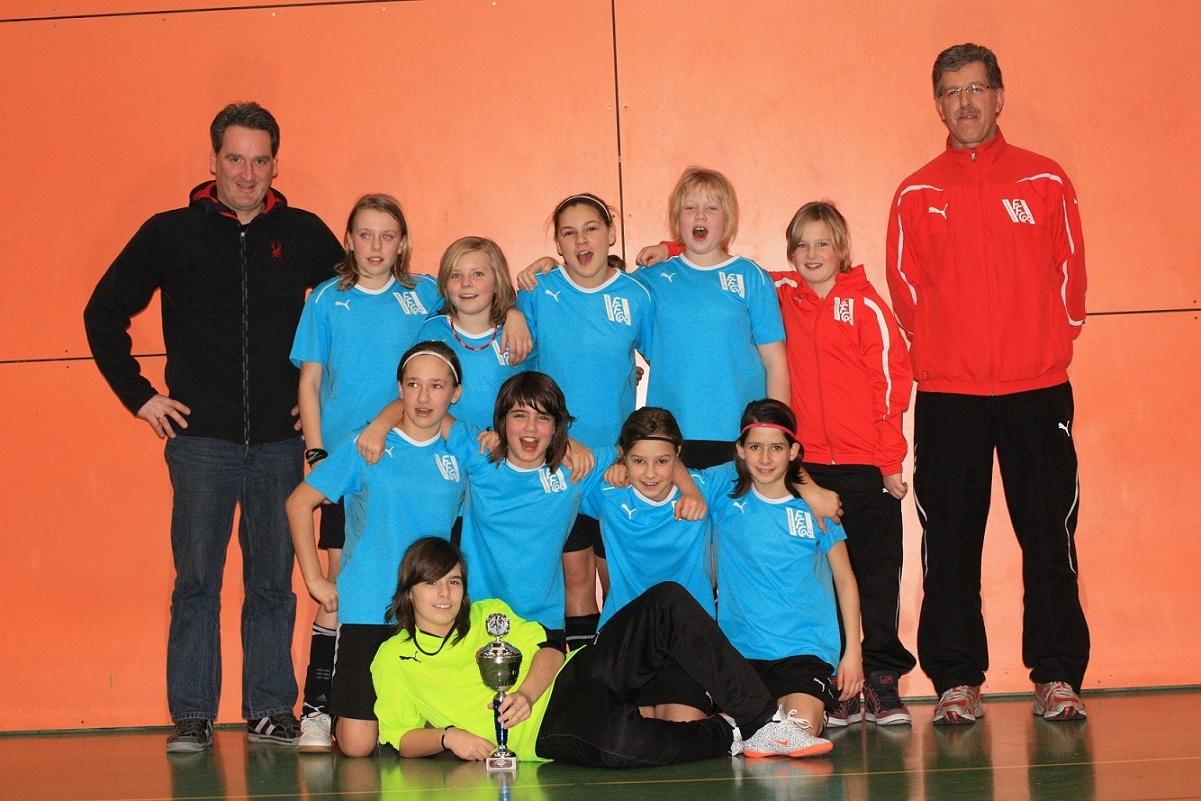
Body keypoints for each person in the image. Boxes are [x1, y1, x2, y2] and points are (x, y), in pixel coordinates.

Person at [83, 102, 345, 753]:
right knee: (197, 581)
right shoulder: (170, 232)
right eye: (235, 159)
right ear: (213, 161)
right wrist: (141, 396)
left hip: (280, 444)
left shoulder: (304, 232)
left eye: (260, 160)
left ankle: (269, 709)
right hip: (200, 442)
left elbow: (358, 312)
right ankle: (193, 714)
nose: (247, 173)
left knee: (273, 582)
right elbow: (102, 311)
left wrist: (323, 400)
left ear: (275, 164)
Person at [884, 43, 1089, 724]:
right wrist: (946, 350)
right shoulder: (917, 193)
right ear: (938, 105)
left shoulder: (1044, 179)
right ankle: (956, 680)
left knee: (1049, 536)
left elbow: (1070, 275)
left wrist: (1049, 342)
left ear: (998, 97)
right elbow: (906, 292)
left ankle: (1056, 675)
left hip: (1036, 388)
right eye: (951, 92)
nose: (964, 103)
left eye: (975, 89)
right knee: (949, 541)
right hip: (950, 395)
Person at [371, 537, 832, 767]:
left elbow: (549, 651)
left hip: (575, 677)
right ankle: (729, 733)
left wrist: (527, 693)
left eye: (454, 581)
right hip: (544, 734)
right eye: (432, 583)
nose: (445, 594)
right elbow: (401, 737)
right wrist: (448, 736)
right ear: (409, 590)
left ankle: (763, 722)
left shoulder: (487, 613)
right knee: (621, 744)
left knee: (667, 600)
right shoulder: (392, 658)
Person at [288, 193, 431, 751]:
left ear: (402, 243)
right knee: (341, 588)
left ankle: (411, 704)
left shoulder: (424, 296)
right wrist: (318, 453)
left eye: (387, 236)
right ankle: (317, 708)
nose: (375, 246)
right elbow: (309, 382)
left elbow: (482, 308)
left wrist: (513, 312)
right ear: (348, 240)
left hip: (411, 467)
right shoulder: (328, 299)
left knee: (416, 582)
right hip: (348, 469)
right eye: (365, 235)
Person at [286, 341, 470, 757]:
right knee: (356, 747)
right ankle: (331, 712)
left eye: (437, 386)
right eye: (413, 384)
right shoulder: (368, 445)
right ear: (399, 390)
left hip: (431, 611)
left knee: (429, 727)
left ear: (455, 393)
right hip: (370, 605)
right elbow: (298, 503)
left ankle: (411, 729)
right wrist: (315, 579)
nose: (423, 397)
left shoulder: (462, 453)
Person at [771, 201, 916, 726]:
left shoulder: (867, 306)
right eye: (802, 245)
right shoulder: (781, 294)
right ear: (791, 253)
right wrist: (670, 248)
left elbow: (891, 384)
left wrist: (889, 461)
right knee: (824, 580)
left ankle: (881, 678)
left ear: (842, 250)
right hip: (809, 471)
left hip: (865, 466)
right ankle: (839, 685)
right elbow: (723, 266)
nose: (812, 254)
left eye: (822, 243)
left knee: (876, 574)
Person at [514, 192, 657, 650]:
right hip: (558, 461)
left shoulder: (636, 295)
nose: (581, 241)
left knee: (618, 580)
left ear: (610, 233)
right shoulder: (539, 293)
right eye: (569, 233)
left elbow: (666, 365)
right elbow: (523, 378)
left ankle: (622, 675)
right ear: (557, 243)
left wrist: (638, 452)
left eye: (591, 229)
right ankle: (579, 677)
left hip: (614, 464)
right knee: (574, 580)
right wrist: (514, 308)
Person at [694, 400, 862, 746]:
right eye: (755, 447)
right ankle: (755, 726)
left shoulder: (816, 510)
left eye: (776, 448)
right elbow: (672, 473)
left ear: (793, 451)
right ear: (741, 450)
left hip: (804, 650)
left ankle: (791, 720)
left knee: (798, 729)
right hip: (741, 651)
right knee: (728, 733)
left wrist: (853, 654)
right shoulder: (724, 496)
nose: (766, 458)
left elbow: (845, 580)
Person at [633, 167, 789, 468]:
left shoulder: (751, 276)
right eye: (690, 208)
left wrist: (777, 433)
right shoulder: (650, 279)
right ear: (677, 218)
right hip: (669, 437)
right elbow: (598, 295)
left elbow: (775, 361)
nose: (700, 216)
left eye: (712, 208)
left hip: (741, 435)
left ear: (727, 219)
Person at [583, 407, 713, 723]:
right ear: (624, 455)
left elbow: (765, 467)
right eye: (639, 461)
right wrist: (614, 461)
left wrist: (814, 492)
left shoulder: (704, 486)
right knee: (627, 731)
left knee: (682, 728)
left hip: (685, 642)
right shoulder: (607, 491)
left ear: (678, 455)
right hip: (623, 637)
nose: (651, 473)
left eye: (662, 461)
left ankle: (722, 724)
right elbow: (563, 455)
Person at [416, 237, 527, 431]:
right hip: (443, 443)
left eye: (477, 274)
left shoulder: (517, 334)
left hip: (500, 445)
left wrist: (514, 311)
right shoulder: (430, 331)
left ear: (497, 282)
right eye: (455, 275)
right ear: (445, 285)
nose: (466, 283)